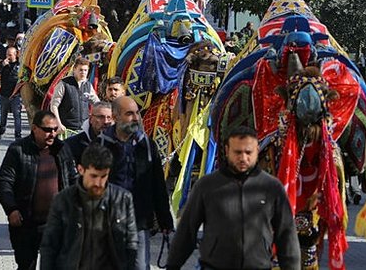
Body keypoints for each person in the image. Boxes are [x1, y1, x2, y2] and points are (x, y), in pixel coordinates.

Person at [167, 126, 301, 270]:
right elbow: (186, 233)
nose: (243, 158)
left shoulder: (272, 188)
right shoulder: (206, 186)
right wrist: (172, 265)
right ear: (227, 150)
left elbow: (287, 237)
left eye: (248, 152)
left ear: (257, 150)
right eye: (237, 152)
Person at [0, 110, 78, 270]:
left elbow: (73, 180)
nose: (52, 134)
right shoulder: (18, 150)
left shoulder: (62, 149)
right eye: (47, 130)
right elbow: (5, 182)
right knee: (26, 265)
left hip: (56, 224)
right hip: (26, 224)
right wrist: (11, 209)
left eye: (55, 130)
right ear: (34, 128)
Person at [99, 96, 174, 270]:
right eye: (129, 114)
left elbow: (158, 184)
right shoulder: (101, 145)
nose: (135, 118)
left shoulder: (146, 145)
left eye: (137, 113)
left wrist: (164, 220)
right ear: (116, 117)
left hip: (138, 222)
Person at [39, 143, 138, 269]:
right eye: (93, 176)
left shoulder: (122, 199)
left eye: (103, 176)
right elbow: (49, 246)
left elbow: (131, 242)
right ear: (81, 170)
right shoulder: (63, 201)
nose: (98, 183)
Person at [50, 57, 100, 132]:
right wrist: (59, 124)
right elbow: (54, 106)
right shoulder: (64, 84)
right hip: (67, 129)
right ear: (74, 69)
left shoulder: (88, 85)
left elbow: (97, 103)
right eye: (80, 70)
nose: (83, 72)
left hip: (84, 129)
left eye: (85, 70)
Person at [0, 47, 23, 140]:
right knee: (3, 115)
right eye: (7, 54)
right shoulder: (2, 63)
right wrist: (2, 66)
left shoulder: (20, 65)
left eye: (10, 55)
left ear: (15, 55)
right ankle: (1, 132)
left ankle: (18, 134)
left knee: (17, 115)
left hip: (16, 95)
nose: (8, 57)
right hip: (4, 94)